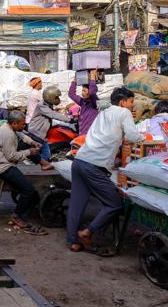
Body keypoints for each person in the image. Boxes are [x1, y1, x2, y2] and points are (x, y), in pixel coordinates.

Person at [67, 87, 145, 253]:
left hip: (80, 160)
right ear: (123, 101)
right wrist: (147, 138)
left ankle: (73, 241)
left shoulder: (104, 111)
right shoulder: (124, 113)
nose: (132, 106)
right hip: (94, 165)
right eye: (131, 102)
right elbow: (132, 137)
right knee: (114, 204)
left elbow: (113, 133)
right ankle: (87, 233)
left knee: (76, 204)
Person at [0, 110, 47, 235]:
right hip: (2, 167)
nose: (24, 126)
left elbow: (23, 136)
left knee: (29, 189)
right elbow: (12, 157)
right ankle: (17, 215)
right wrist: (29, 152)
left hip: (4, 164)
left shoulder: (9, 127)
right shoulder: (7, 134)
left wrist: (32, 142)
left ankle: (25, 212)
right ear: (14, 124)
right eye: (22, 124)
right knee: (29, 189)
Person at [28, 86, 72, 162]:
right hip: (36, 133)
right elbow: (52, 114)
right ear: (50, 97)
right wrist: (69, 119)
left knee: (44, 154)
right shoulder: (42, 105)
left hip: (40, 133)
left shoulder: (48, 104)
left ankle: (34, 159)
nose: (58, 99)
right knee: (45, 155)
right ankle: (31, 159)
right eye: (56, 97)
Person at [68, 69, 99, 135]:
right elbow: (71, 94)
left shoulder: (94, 103)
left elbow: (92, 93)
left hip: (91, 136)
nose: (82, 93)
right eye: (82, 90)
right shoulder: (82, 102)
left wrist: (93, 77)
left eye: (84, 91)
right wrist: (75, 80)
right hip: (82, 134)